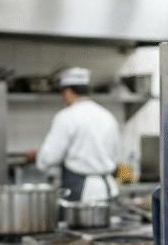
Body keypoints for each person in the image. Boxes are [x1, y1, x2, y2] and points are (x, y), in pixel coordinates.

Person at [25, 67, 120, 202]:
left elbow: (49, 158)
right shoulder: (107, 115)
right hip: (109, 190)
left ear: (68, 91)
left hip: (81, 193)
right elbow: (115, 154)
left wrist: (37, 157)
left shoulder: (66, 116)